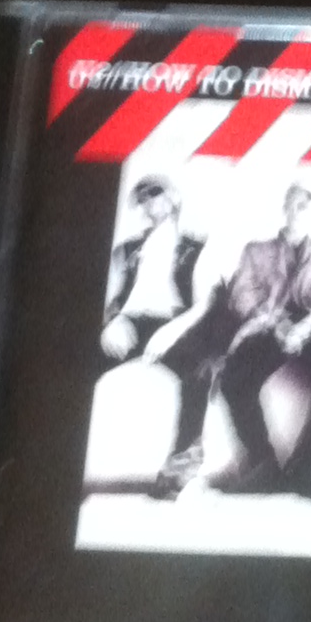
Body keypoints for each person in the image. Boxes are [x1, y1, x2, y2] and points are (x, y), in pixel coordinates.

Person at [213, 181, 311, 497]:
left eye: (307, 206)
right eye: (295, 204)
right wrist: (278, 324)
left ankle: (308, 469)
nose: (300, 212)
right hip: (267, 326)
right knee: (235, 377)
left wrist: (304, 328)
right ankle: (264, 466)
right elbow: (242, 294)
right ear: (284, 208)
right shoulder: (255, 250)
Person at [98, 176, 216, 501]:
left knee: (201, 369)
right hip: (129, 323)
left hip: (175, 323)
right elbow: (109, 297)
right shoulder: (127, 250)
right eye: (142, 197)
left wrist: (169, 333)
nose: (149, 201)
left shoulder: (195, 247)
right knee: (80, 360)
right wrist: (111, 322)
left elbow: (204, 302)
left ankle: (178, 473)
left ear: (173, 198)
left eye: (155, 193)